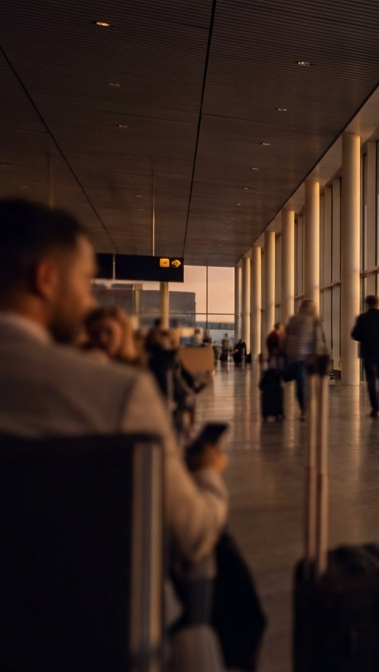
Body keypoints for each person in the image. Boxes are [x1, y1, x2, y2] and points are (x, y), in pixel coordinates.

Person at [0, 199, 229, 619]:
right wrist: (210, 478)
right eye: (85, 283)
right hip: (91, 626)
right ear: (46, 279)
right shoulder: (114, 393)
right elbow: (190, 532)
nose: (89, 303)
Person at [283, 299, 328, 416]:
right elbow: (320, 339)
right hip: (310, 357)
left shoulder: (294, 320)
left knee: (302, 383)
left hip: (298, 357)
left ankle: (305, 409)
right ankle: (306, 408)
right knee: (307, 383)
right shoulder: (315, 321)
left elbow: (286, 338)